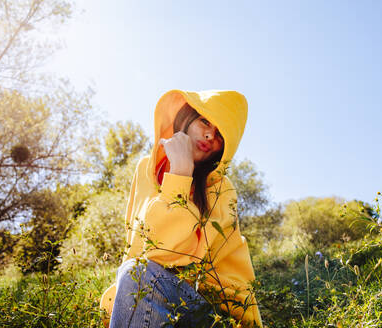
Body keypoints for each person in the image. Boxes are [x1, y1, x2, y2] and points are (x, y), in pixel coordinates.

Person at [100, 90, 262, 327]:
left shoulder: (221, 190)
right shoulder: (145, 169)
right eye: (205, 121)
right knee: (137, 273)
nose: (209, 134)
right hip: (150, 296)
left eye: (219, 134)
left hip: (217, 315)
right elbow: (136, 246)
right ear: (186, 118)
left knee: (142, 275)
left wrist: (180, 173)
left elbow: (165, 255)